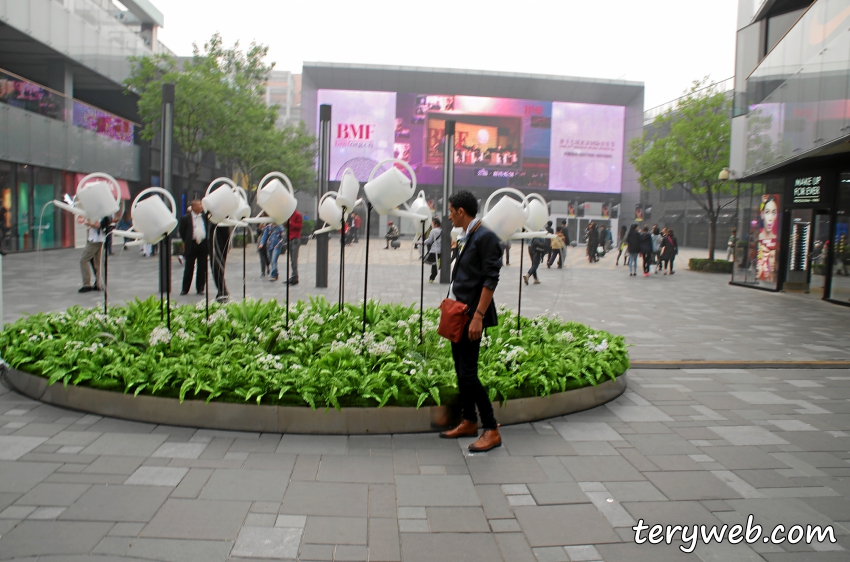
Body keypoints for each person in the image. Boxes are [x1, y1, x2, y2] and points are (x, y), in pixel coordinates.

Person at [438, 190, 503, 452]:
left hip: (471, 316)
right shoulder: (470, 235)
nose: (449, 216)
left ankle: (491, 428)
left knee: (468, 374)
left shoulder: (485, 237)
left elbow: (491, 279)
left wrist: (478, 317)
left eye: (451, 211)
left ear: (461, 212)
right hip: (459, 313)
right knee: (460, 370)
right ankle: (468, 420)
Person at [178, 200, 208, 295]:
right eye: (199, 205)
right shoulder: (186, 218)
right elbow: (182, 231)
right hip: (192, 244)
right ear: (194, 207)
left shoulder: (204, 217)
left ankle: (200, 288)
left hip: (203, 244)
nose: (201, 207)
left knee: (202, 267)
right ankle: (185, 289)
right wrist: (186, 241)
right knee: (189, 267)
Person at [79, 216, 108, 292]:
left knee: (84, 260)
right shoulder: (101, 212)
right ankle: (99, 283)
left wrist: (86, 222)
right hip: (98, 239)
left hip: (94, 240)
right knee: (98, 263)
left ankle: (87, 284)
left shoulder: (97, 213)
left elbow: (97, 225)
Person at [757, 195, 778, 283]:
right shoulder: (760, 238)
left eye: (774, 212)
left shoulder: (776, 239)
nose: (770, 218)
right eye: (767, 212)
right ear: (762, 214)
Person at [209, 219, 231, 302]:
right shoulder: (213, 220)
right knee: (216, 269)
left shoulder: (220, 220)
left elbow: (226, 235)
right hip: (215, 247)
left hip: (219, 248)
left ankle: (222, 291)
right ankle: (222, 290)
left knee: (217, 268)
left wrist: (227, 245)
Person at [284, 209, 303, 285]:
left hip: (295, 238)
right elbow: (287, 226)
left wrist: (291, 223)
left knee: (294, 259)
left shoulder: (297, 214)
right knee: (292, 259)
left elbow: (300, 226)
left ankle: (295, 277)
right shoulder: (289, 215)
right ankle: (293, 276)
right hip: (290, 238)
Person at [423, 217, 442, 282]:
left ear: (436, 224)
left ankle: (431, 278)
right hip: (441, 251)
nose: (431, 224)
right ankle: (432, 278)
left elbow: (429, 240)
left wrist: (422, 243)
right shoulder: (442, 230)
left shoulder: (433, 230)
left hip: (434, 250)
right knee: (435, 265)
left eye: (432, 223)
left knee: (425, 260)